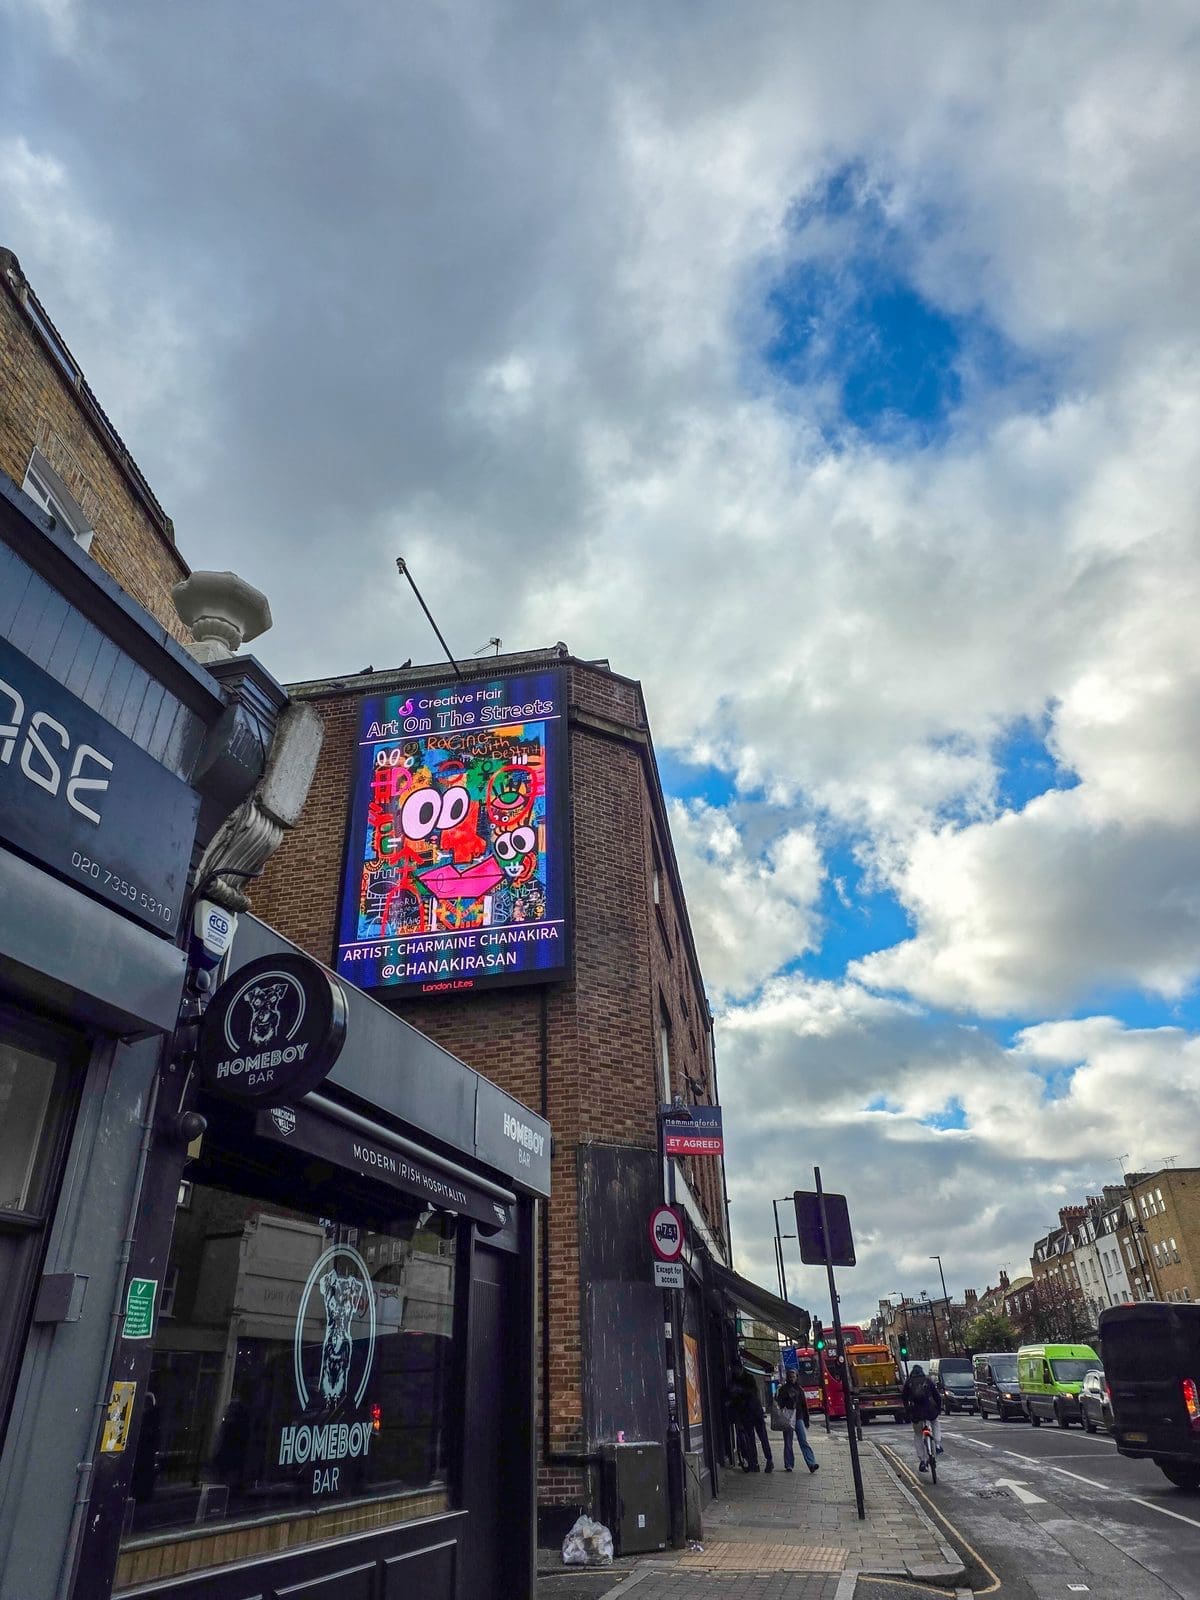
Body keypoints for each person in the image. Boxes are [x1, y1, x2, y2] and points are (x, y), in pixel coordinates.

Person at [727, 1361, 773, 1472]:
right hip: (746, 1414)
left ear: (740, 1369)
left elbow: (753, 1393)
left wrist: (740, 1392)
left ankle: (769, 1460)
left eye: (737, 1370)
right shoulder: (734, 1380)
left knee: (762, 1438)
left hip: (754, 1412)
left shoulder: (748, 1378)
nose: (736, 1372)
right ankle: (754, 1463)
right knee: (751, 1439)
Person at [902, 1363, 943, 1473]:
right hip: (929, 1410)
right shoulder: (927, 1381)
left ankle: (922, 1460)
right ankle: (938, 1445)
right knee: (935, 1422)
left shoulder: (909, 1383)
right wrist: (938, 1409)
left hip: (916, 1412)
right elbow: (937, 1396)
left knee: (918, 1434)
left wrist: (907, 1410)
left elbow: (904, 1398)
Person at [776, 1370, 819, 1474]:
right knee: (788, 1442)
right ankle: (789, 1464)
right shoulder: (783, 1389)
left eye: (793, 1377)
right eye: (790, 1377)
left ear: (796, 1377)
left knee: (803, 1441)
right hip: (787, 1417)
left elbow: (804, 1406)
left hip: (798, 1417)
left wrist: (806, 1420)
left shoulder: (799, 1389)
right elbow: (779, 1403)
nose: (792, 1379)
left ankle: (811, 1464)